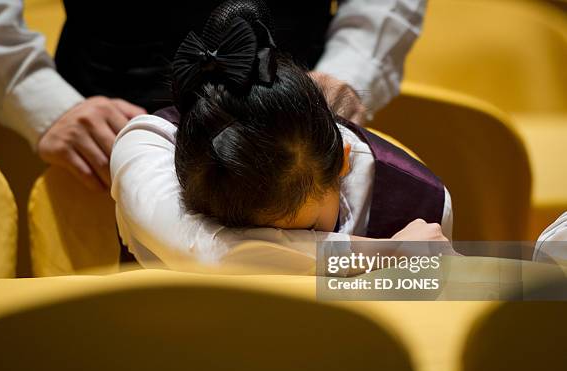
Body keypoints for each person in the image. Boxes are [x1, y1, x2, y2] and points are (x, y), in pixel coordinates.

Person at [110, 0, 452, 269]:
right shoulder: (148, 148)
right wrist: (383, 253)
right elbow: (204, 254)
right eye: (236, 228)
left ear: (343, 161)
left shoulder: (421, 202)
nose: (280, 243)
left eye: (311, 230)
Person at [0, 0, 427, 191]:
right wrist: (33, 93)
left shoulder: (414, 199)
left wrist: (351, 66)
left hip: (300, 119)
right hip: (105, 131)